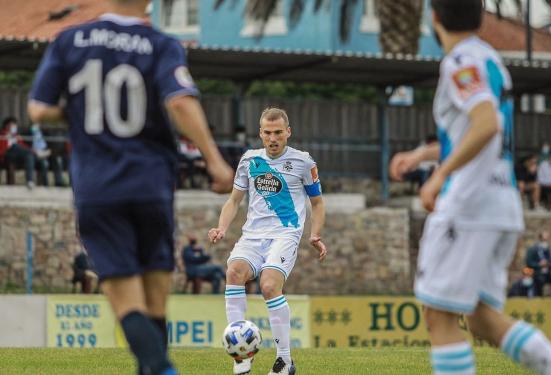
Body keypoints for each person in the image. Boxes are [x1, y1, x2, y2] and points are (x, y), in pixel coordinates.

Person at [27, 1, 235, 373]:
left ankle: (162, 369)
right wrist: (215, 160)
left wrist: (76, 113)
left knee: (126, 302)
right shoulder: (160, 43)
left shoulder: (69, 40)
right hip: (151, 183)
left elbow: (38, 110)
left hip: (98, 188)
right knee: (156, 304)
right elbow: (180, 100)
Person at [388, 1, 551, 374]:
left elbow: (486, 123)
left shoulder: (460, 62)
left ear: (434, 17)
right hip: (500, 202)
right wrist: (424, 155)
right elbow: (474, 130)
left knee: (438, 315)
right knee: (480, 318)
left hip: (469, 204)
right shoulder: (491, 59)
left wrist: (440, 176)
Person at [208, 107, 327, 375]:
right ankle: (241, 357)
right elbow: (234, 200)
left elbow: (317, 203)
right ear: (260, 133)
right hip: (253, 235)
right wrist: (221, 227)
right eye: (267, 133)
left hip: (285, 234)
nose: (273, 138)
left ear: (288, 132)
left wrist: (315, 233)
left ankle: (284, 360)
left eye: (278, 133)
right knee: (234, 272)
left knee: (270, 285)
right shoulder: (249, 160)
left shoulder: (303, 162)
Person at [0, 117, 36, 188]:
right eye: (12, 125)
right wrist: (7, 139)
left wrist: (18, 140)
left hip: (17, 157)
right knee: (15, 146)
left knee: (29, 155)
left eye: (14, 125)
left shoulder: (17, 136)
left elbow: (24, 147)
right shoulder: (2, 135)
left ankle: (30, 181)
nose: (13, 127)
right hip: (6, 155)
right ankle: (35, 153)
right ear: (6, 126)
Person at [525, 230, 551, 297]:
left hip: (547, 273)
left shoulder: (547, 250)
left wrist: (548, 264)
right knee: (539, 282)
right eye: (544, 239)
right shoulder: (532, 249)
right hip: (537, 273)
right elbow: (529, 262)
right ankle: (539, 300)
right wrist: (539, 265)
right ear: (540, 238)